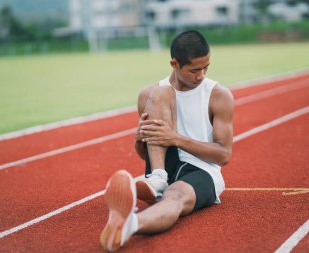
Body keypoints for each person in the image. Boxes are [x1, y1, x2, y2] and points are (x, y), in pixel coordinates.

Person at [100, 30, 234, 251]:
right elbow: (148, 153)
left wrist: (176, 138)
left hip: (202, 170)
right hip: (162, 167)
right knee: (160, 92)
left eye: (206, 67)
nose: (201, 75)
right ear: (174, 64)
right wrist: (139, 142)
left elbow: (224, 155)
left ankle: (129, 224)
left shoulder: (219, 95)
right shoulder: (149, 96)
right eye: (194, 70)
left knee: (175, 197)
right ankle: (157, 179)